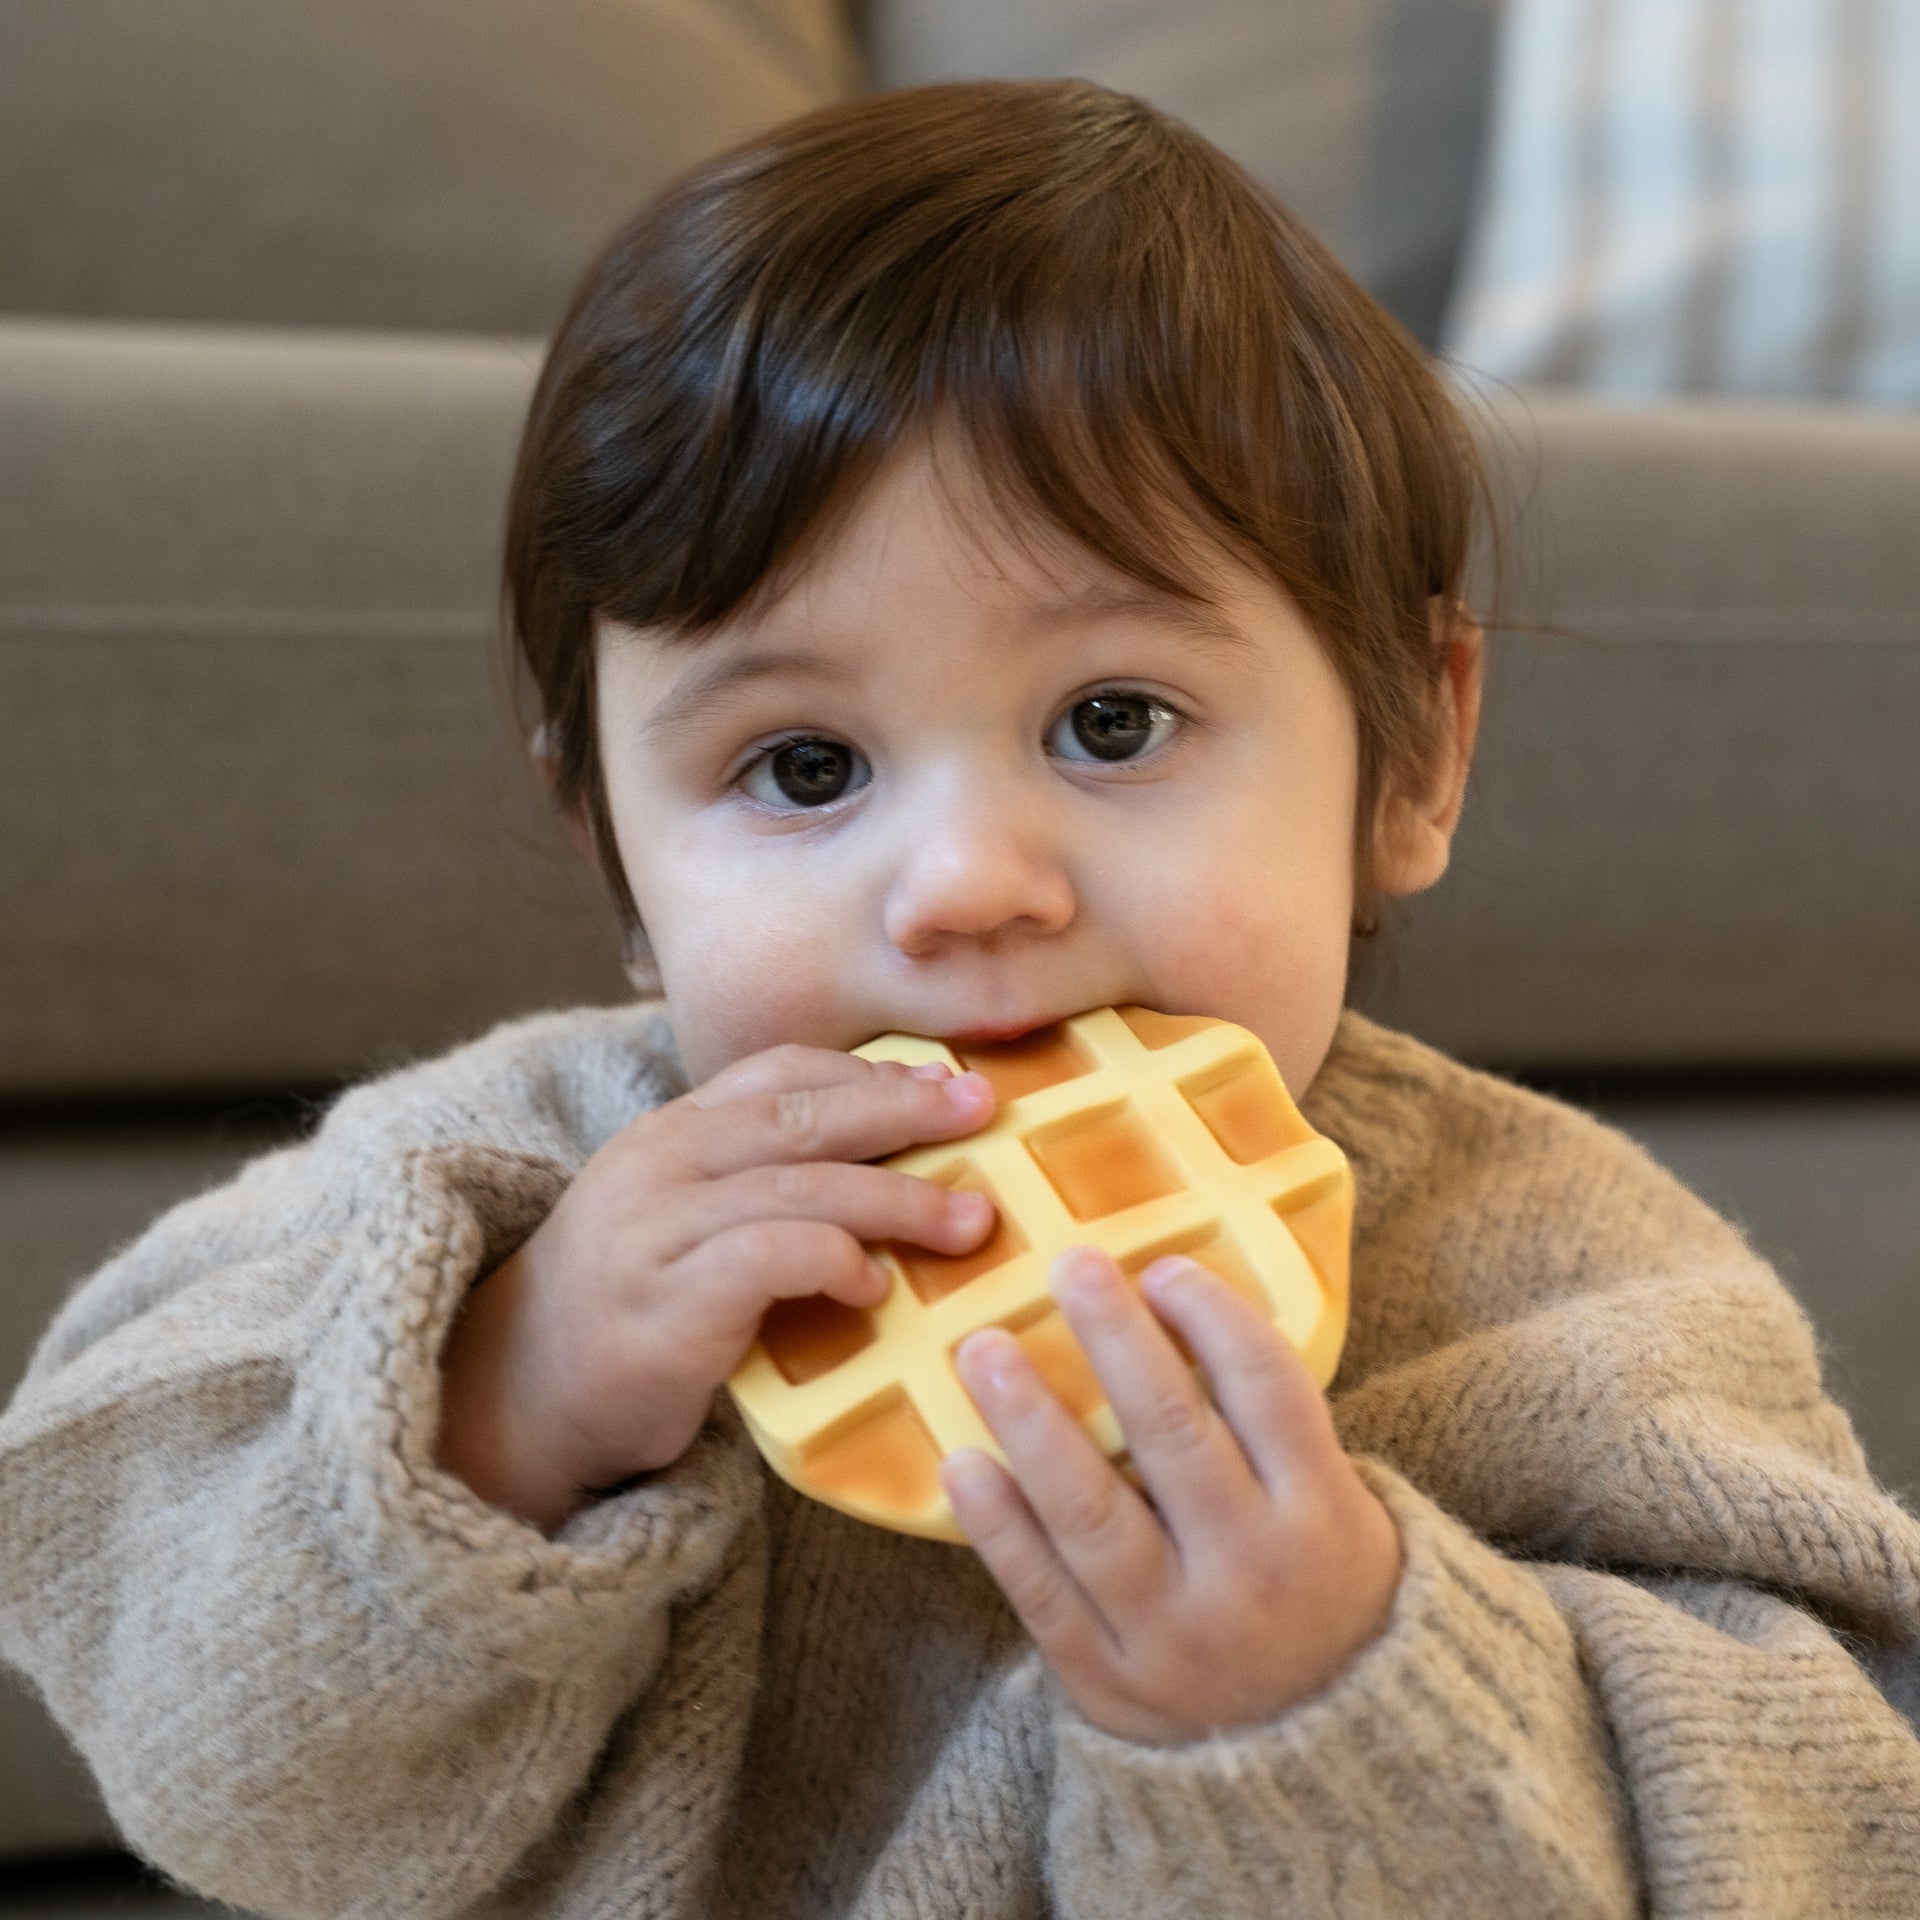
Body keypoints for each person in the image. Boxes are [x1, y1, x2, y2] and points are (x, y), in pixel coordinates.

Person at [2, 78, 1917, 1920]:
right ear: (620, 859)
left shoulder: (1576, 1289)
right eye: (805, 767)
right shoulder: (501, 1191)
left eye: (1113, 721)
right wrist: (501, 1404)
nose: (968, 884)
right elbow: (173, 1707)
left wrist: (1345, 1694)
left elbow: (1845, 1819)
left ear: (1412, 754)